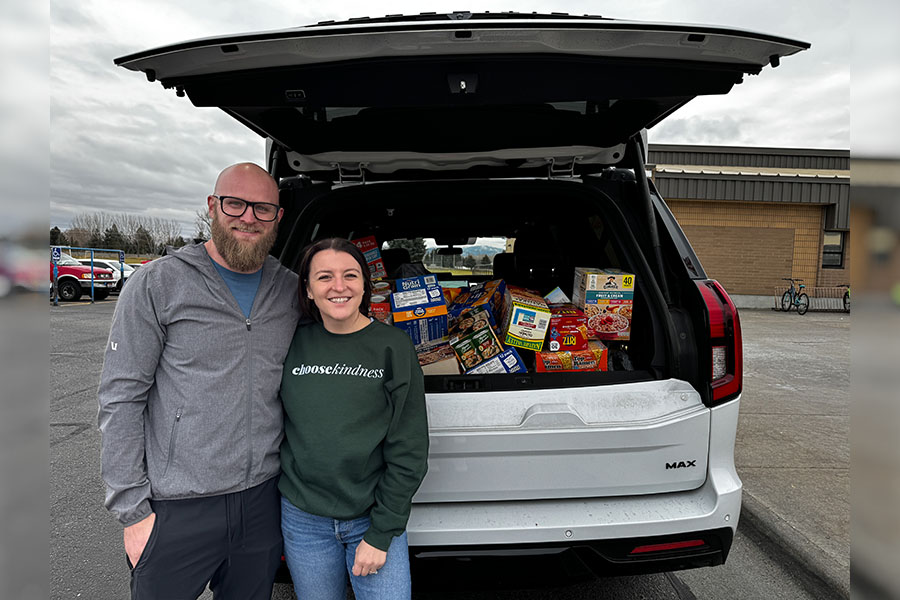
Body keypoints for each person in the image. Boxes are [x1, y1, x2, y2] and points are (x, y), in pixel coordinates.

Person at [97, 163, 299, 599]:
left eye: (263, 208)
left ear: (278, 218)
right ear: (212, 206)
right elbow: (120, 398)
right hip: (175, 508)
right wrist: (133, 513)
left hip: (261, 501)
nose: (248, 217)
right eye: (235, 204)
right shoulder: (158, 283)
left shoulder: (291, 291)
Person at [279, 238, 429, 600]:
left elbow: (409, 449)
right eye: (324, 277)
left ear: (365, 284)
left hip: (371, 516)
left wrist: (381, 533)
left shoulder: (393, 347)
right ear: (308, 289)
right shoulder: (289, 343)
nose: (339, 287)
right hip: (303, 519)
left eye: (350, 275)